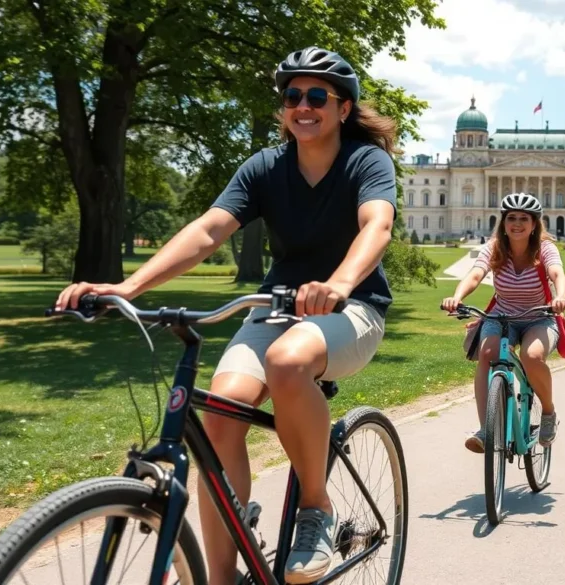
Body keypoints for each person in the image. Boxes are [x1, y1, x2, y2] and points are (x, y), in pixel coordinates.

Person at [53, 46, 398, 584]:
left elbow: (376, 224)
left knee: (288, 363)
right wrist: (130, 285)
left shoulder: (364, 161)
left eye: (316, 96)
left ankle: (315, 509)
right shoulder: (264, 167)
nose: (302, 106)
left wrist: (338, 284)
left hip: (351, 308)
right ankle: (222, 577)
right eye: (291, 96)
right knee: (218, 414)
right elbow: (210, 229)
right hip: (274, 307)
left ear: (344, 108)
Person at [441, 193, 565, 453]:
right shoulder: (494, 248)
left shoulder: (545, 248)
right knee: (487, 354)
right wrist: (457, 297)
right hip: (502, 316)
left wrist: (561, 297)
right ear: (503, 222)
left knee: (533, 357)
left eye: (524, 218)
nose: (517, 223)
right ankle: (485, 430)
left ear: (535, 224)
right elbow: (475, 274)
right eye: (511, 218)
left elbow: (558, 273)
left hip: (539, 317)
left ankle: (547, 412)